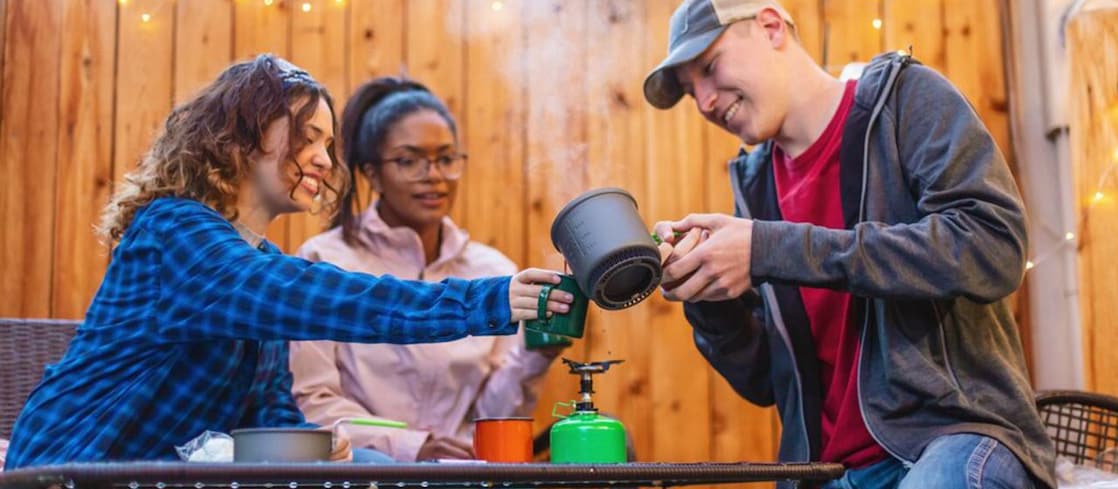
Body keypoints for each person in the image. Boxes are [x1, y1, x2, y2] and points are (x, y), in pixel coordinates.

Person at [3, 54, 572, 469]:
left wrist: (322, 443)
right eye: (307, 136)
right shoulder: (173, 231)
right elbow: (321, 297)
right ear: (239, 136)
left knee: (370, 468)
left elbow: (270, 413)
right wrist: (486, 299)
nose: (323, 159)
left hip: (161, 474)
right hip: (69, 467)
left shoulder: (257, 261)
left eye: (328, 145)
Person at [644, 1, 1056, 488]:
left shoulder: (905, 99)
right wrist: (708, 299)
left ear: (771, 27)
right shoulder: (756, 190)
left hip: (950, 439)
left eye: (710, 67)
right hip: (824, 472)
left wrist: (774, 249)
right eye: (690, 90)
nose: (704, 101)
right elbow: (765, 381)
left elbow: (992, 246)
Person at [289, 77, 560, 462]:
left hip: (466, 477)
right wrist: (410, 447)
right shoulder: (325, 262)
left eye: (446, 159)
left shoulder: (493, 271)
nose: (433, 175)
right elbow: (312, 402)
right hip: (363, 474)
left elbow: (494, 419)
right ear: (372, 173)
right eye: (408, 160)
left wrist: (538, 353)